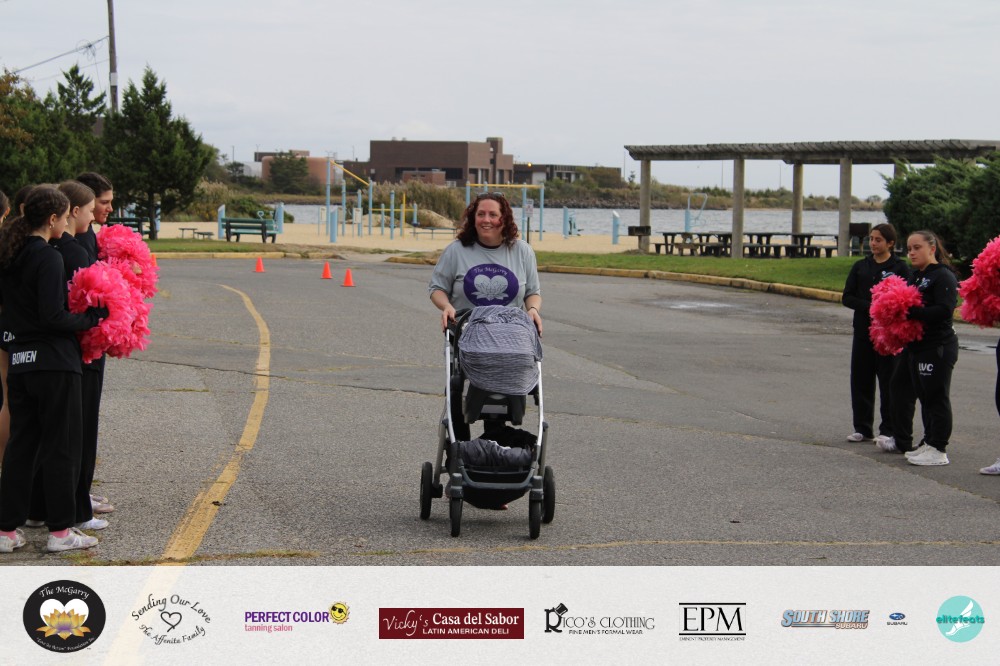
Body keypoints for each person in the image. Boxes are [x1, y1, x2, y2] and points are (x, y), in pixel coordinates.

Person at [0, 186, 107, 553]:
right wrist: (92, 318)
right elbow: (53, 316)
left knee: (22, 447)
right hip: (54, 364)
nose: (65, 224)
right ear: (51, 219)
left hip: (20, 361)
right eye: (62, 217)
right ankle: (60, 531)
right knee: (62, 446)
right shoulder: (48, 256)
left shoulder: (10, 254)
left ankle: (6, 530)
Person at [885, 230, 959, 466]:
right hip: (918, 346)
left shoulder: (943, 275)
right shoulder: (917, 276)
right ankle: (929, 440)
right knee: (921, 394)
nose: (912, 253)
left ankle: (939, 449)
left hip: (937, 345)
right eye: (909, 249)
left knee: (936, 396)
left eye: (917, 248)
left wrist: (911, 312)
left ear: (932, 248)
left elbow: (944, 310)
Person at [429, 192, 542, 334]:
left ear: (504, 219)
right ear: (473, 218)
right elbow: (437, 288)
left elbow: (533, 293)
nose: (486, 220)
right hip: (466, 337)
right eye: (481, 214)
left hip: (511, 338)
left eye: (493, 215)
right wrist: (446, 306)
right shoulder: (455, 251)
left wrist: (533, 309)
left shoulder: (523, 251)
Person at [841, 223, 909, 448]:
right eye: (871, 239)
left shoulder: (900, 267)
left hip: (888, 335)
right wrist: (870, 306)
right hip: (863, 332)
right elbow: (847, 296)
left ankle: (887, 429)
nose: (873, 243)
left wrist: (886, 307)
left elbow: (907, 295)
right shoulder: (861, 266)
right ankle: (862, 428)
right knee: (861, 379)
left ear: (890, 243)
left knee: (889, 381)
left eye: (878, 240)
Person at [72, 172, 115, 515]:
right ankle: (75, 495)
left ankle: (82, 488)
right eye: (102, 203)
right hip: (81, 345)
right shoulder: (77, 243)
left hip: (88, 343)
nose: (108, 209)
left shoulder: (87, 237)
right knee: (80, 424)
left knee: (87, 422)